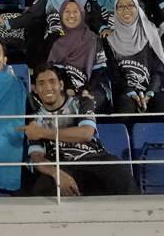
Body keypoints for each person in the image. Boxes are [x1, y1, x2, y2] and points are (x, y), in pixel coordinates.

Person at [21, 64, 139, 197]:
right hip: (62, 164)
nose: (47, 87)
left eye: (52, 81)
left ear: (61, 85)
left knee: (119, 173)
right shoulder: (34, 119)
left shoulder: (82, 103)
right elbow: (37, 157)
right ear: (35, 89)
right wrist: (56, 173)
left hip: (93, 158)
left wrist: (43, 132)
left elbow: (86, 133)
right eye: (41, 83)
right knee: (42, 187)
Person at [104, 0, 164, 117]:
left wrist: (150, 92)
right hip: (124, 90)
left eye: (130, 5)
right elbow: (114, 73)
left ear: (138, 8)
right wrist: (131, 92)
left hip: (151, 88)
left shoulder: (151, 34)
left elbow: (158, 69)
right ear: (115, 11)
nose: (126, 10)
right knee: (125, 106)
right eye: (121, 7)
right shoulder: (109, 40)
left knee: (160, 104)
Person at [47, 0, 110, 112]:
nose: (71, 15)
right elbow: (55, 71)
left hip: (93, 87)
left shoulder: (93, 39)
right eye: (67, 12)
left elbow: (100, 72)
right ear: (61, 15)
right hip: (64, 87)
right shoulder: (55, 41)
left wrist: (86, 89)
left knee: (87, 102)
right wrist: (69, 87)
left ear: (82, 14)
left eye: (75, 12)